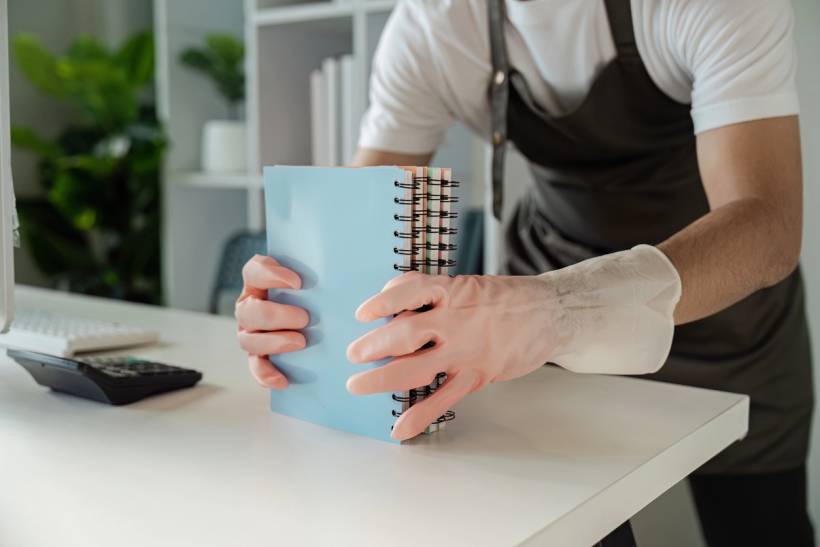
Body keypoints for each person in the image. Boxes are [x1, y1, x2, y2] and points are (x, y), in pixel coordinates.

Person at [235, 1, 813, 545]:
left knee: (761, 527)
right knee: (568, 522)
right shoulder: (433, 23)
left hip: (725, 318)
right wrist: (305, 302)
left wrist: (557, 310)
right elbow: (365, 213)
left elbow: (767, 224)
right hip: (537, 324)